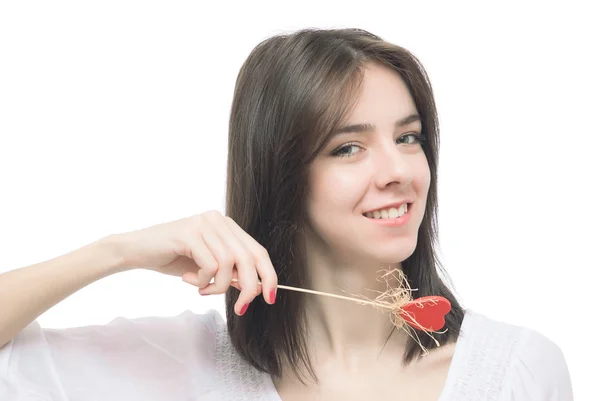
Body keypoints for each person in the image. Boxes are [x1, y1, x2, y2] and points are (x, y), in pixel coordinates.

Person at [0, 28, 573, 401]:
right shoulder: (176, 365)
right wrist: (118, 251)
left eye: (409, 137)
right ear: (281, 176)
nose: (397, 169)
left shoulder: (518, 373)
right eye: (348, 147)